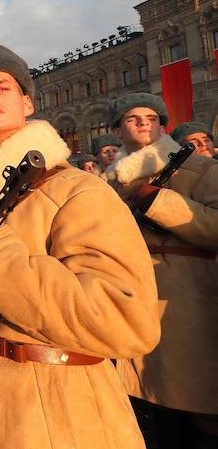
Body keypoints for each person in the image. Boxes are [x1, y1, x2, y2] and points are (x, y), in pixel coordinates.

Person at [0, 43, 160, 448]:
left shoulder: (77, 189)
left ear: (27, 102)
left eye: (2, 87)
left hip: (49, 412)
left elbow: (127, 320)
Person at [105, 94, 218, 448]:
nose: (142, 123)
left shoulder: (200, 170)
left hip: (186, 301)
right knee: (146, 408)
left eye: (151, 117)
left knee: (197, 408)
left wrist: (158, 202)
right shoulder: (107, 184)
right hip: (127, 297)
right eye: (131, 118)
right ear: (116, 130)